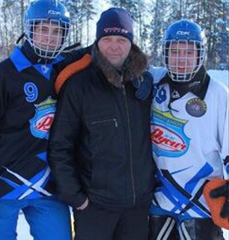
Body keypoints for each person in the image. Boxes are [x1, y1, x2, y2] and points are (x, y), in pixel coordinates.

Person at [48, 7, 155, 240]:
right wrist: (77, 198)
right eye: (107, 39)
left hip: (137, 207)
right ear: (97, 41)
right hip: (95, 206)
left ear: (131, 42)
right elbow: (60, 145)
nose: (114, 46)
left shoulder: (145, 82)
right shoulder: (79, 85)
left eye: (121, 39)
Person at [0, 0, 74, 239]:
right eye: (43, 29)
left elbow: (102, 51)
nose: (50, 37)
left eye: (58, 31)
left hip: (49, 187)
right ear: (30, 29)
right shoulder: (2, 74)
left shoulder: (66, 71)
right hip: (4, 186)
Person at [148, 19, 229, 239]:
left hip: (201, 204)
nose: (181, 59)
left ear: (200, 54)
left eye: (188, 51)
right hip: (158, 203)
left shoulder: (219, 94)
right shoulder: (153, 83)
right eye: (174, 51)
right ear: (165, 53)